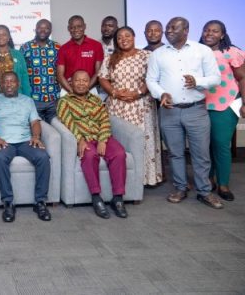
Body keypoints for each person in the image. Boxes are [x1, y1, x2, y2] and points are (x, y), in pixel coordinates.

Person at [146, 17, 222, 209]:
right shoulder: (158, 54)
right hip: (169, 111)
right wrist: (161, 93)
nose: (168, 31)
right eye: (168, 28)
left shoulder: (202, 51)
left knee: (201, 154)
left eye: (174, 27)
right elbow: (151, 80)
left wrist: (198, 81)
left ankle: (204, 191)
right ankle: (180, 188)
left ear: (186, 30)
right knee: (175, 153)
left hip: (196, 110)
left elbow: (215, 78)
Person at [57, 70, 128, 219]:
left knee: (119, 153)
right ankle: (96, 197)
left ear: (89, 83)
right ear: (71, 82)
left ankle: (118, 198)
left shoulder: (96, 100)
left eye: (85, 81)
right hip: (84, 138)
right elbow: (68, 123)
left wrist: (102, 139)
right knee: (89, 155)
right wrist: (80, 140)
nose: (81, 84)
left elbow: (105, 120)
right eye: (78, 80)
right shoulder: (64, 102)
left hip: (100, 135)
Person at [0, 72, 52, 222]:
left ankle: (40, 202)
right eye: (5, 82)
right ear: (1, 84)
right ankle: (8, 203)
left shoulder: (28, 101)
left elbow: (35, 122)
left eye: (12, 81)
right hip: (5, 141)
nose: (9, 84)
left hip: (25, 141)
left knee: (43, 156)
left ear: (18, 84)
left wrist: (35, 137)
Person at [98, 27, 162, 186]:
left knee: (142, 140)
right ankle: (121, 179)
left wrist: (138, 92)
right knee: (120, 141)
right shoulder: (110, 58)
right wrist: (114, 92)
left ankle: (145, 179)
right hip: (117, 106)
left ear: (134, 37)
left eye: (127, 36)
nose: (123, 39)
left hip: (141, 105)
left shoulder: (147, 56)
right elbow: (102, 78)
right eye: (119, 37)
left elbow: (153, 78)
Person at [199, 20, 245, 201]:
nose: (209, 33)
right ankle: (209, 180)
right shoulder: (197, 52)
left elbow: (242, 78)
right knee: (205, 145)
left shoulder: (231, 52)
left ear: (222, 35)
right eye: (206, 30)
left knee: (221, 144)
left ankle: (223, 184)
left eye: (215, 31)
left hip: (226, 104)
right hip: (201, 104)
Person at [19, 19, 61, 123]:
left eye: (46, 28)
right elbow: (20, 74)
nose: (43, 30)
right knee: (37, 128)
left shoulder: (57, 47)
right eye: (40, 28)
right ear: (35, 29)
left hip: (54, 98)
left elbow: (61, 71)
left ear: (50, 30)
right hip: (33, 98)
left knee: (55, 128)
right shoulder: (25, 47)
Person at [0, 25, 30, 108]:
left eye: (4, 34)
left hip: (17, 99)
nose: (1, 37)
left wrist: (28, 100)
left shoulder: (18, 55)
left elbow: (25, 79)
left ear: (9, 37)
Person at [56, 15, 104, 95]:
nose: (76, 30)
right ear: (68, 28)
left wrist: (85, 90)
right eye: (72, 27)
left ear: (84, 26)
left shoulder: (96, 45)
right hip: (68, 90)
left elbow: (98, 72)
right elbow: (59, 75)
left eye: (79, 26)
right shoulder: (63, 48)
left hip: (90, 89)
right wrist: (72, 92)